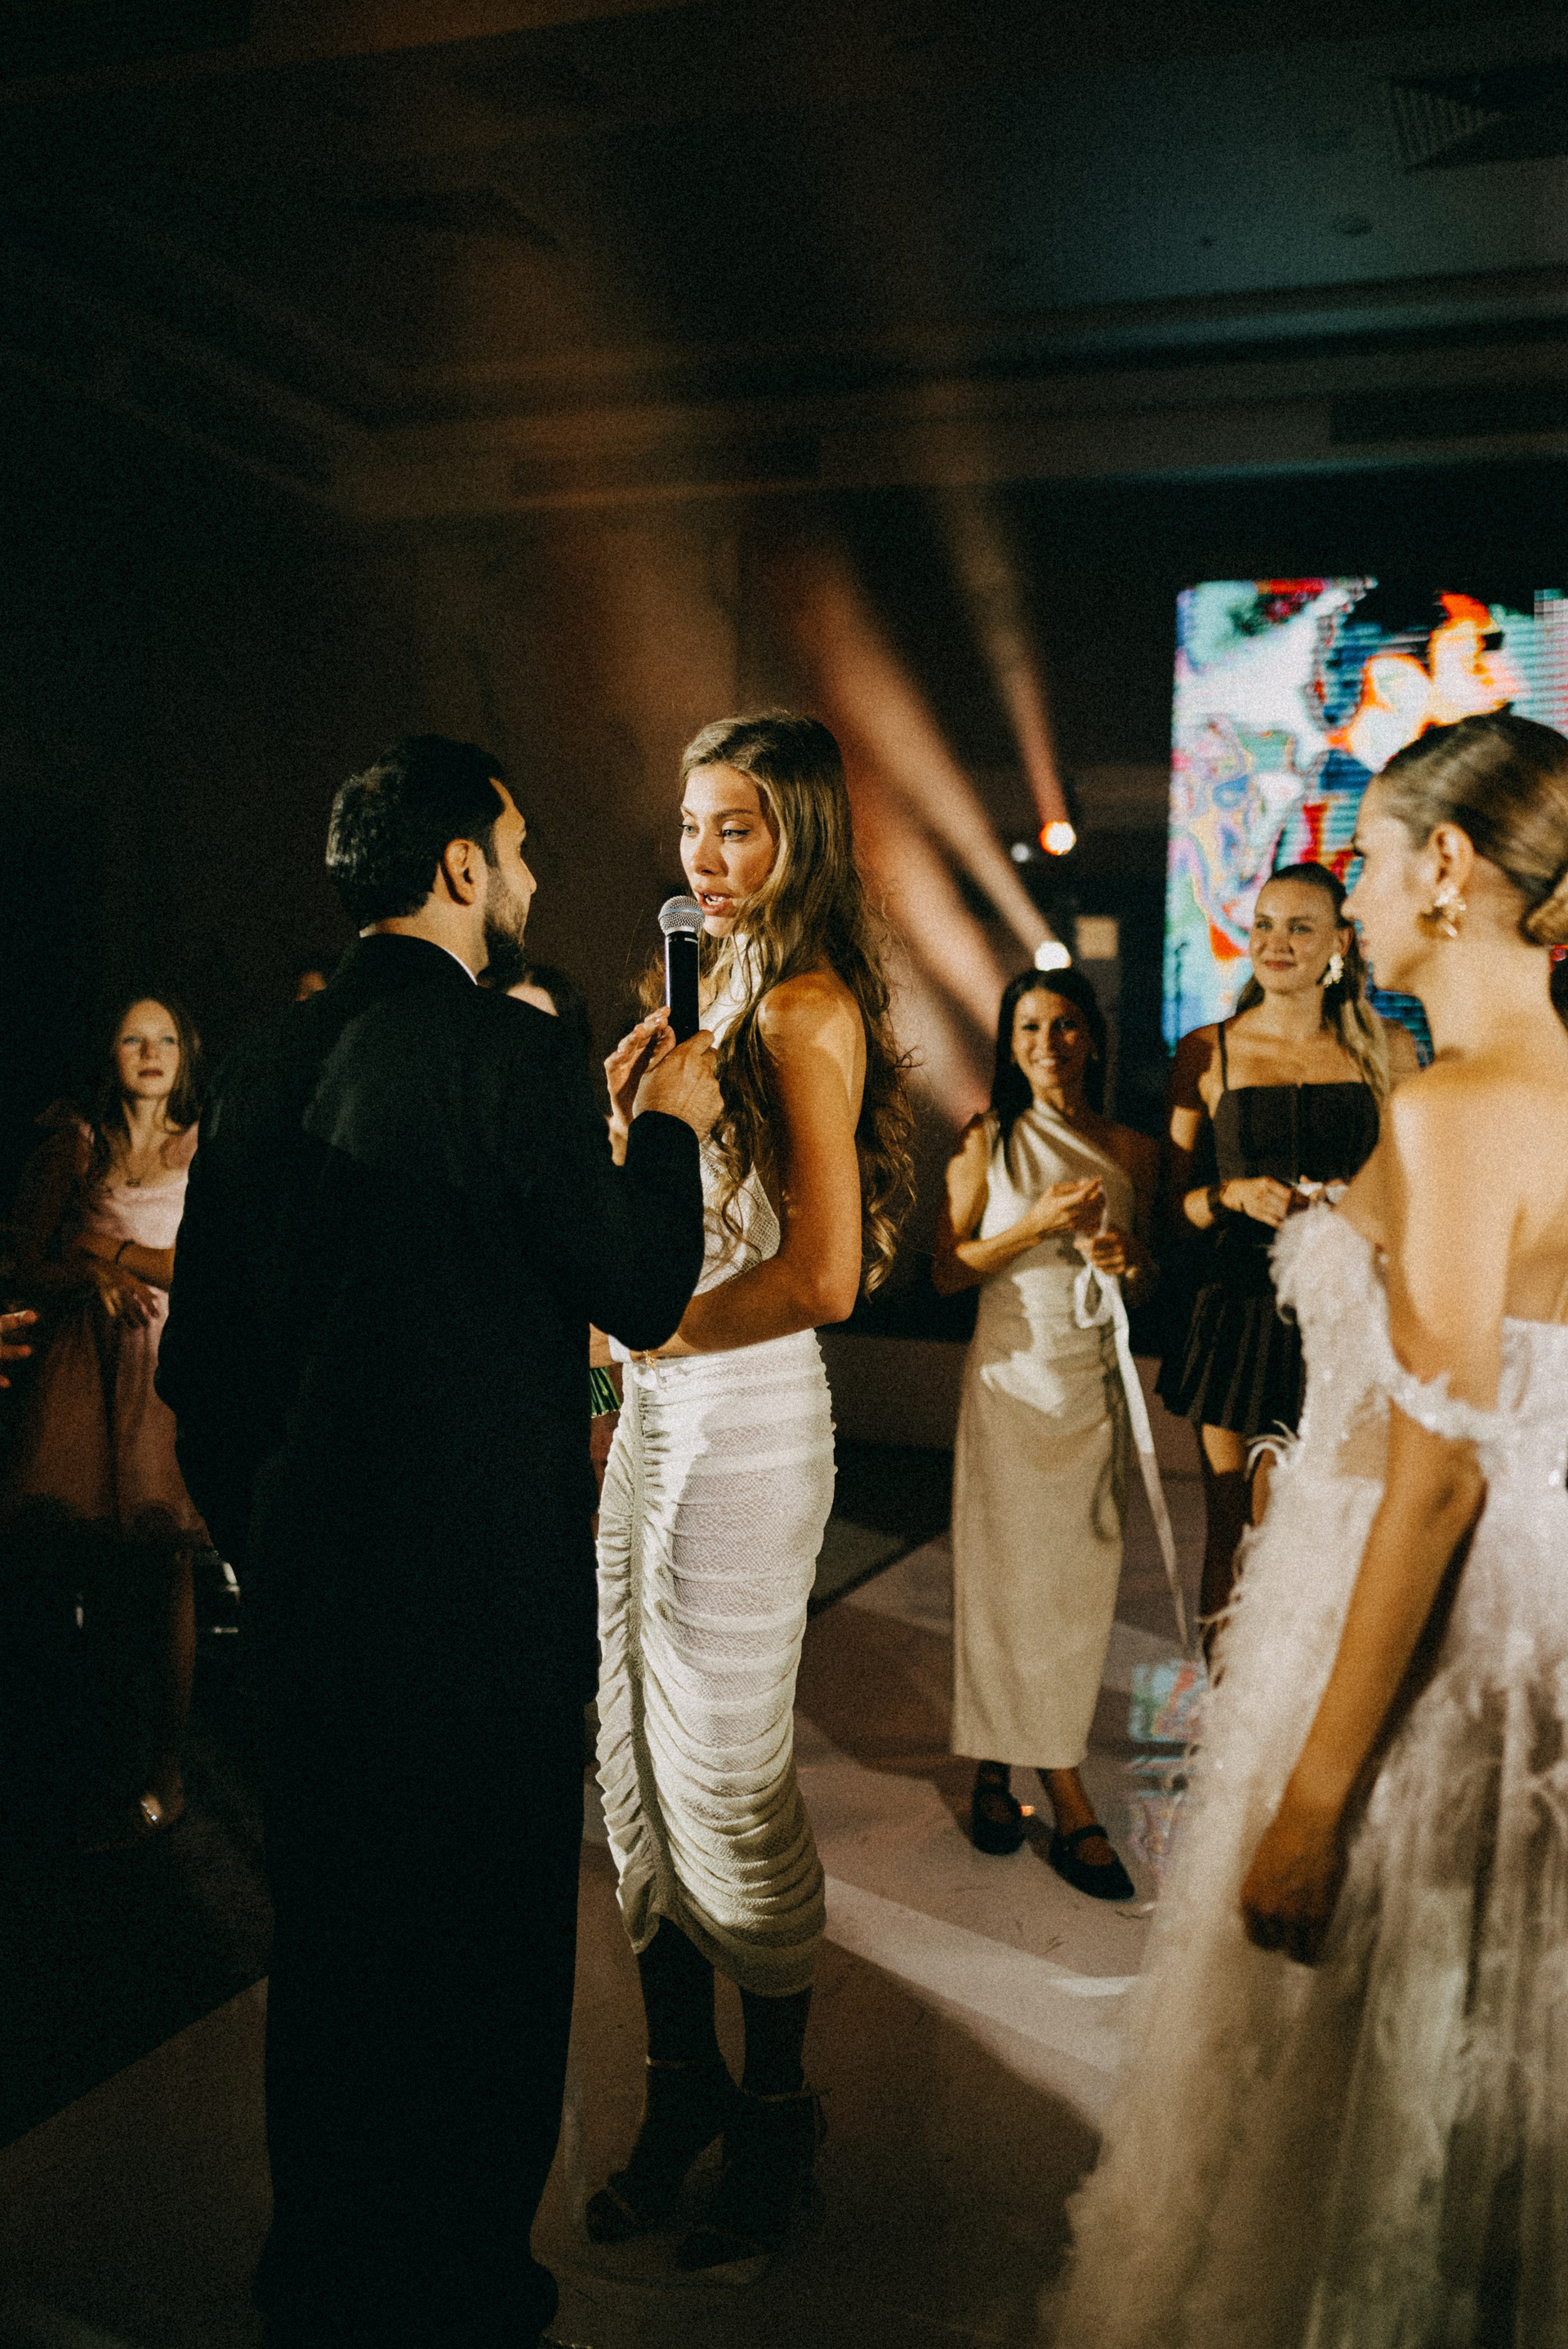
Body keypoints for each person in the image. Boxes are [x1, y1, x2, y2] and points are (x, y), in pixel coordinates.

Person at [157, 735, 719, 2349]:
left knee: (333, 1956)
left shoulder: (259, 1065)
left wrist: (275, 1545)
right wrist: (670, 1126)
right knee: (483, 1964)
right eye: (519, 850)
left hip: (318, 1608)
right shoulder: (513, 1055)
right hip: (485, 1614)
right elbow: (640, 1290)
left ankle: (324, 2278)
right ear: (461, 865)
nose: (530, 877)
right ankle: (466, 2289)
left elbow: (202, 1375)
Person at [1055, 711, 1568, 2347]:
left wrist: (1316, 1799)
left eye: (1371, 856)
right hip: (1516, 1600)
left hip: (1423, 1619)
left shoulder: (1459, 1105)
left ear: (1449, 866)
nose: (1354, 894)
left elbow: (1441, 1474)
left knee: (1353, 2086)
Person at [587, 711, 912, 2278]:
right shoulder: (701, 995)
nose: (703, 858)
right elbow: (666, 1231)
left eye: (737, 826)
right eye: (690, 826)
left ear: (802, 836)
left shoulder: (801, 1007)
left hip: (750, 1421)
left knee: (725, 1777)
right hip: (654, 1418)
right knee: (634, 1776)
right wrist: (631, 1129)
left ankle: (778, 2114)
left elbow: (826, 1275)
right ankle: (680, 2092)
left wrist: (659, 1330)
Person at [933, 966, 1157, 1897]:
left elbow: (1149, 1278)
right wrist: (1032, 1227)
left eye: (1064, 1025)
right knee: (1007, 1581)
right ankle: (1066, 1797)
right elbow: (947, 1269)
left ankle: (995, 1768)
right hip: (1010, 1386)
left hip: (1090, 1386)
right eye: (1028, 1027)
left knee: (1072, 1591)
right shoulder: (985, 1138)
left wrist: (1126, 1256)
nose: (1047, 1043)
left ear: (1091, 1039)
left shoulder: (1133, 1150)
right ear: (1010, 1043)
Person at [1158, 862, 1419, 1642]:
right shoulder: (1207, 1052)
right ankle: (1224, 1708)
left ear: (1340, 943)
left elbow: (1421, 1195)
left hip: (1349, 1318)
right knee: (1235, 1525)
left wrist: (1355, 1204)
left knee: (1334, 1519)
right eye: (1265, 925)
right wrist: (1230, 1196)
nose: (1276, 943)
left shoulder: (1389, 1049)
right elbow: (1171, 1213)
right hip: (1237, 1313)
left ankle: (1309, 1697)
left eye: (1300, 927)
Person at [6, 993, 207, 1844]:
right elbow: (24, 1260)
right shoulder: (77, 1145)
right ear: (110, 1054)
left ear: (186, 1055)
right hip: (86, 1371)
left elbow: (204, 1265)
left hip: (164, 1372)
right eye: (133, 1038)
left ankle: (169, 1768)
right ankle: (88, 1758)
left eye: (165, 1039)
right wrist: (86, 1273)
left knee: (167, 1570)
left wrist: (105, 1248)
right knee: (84, 1572)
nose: (151, 1052)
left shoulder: (202, 1145)